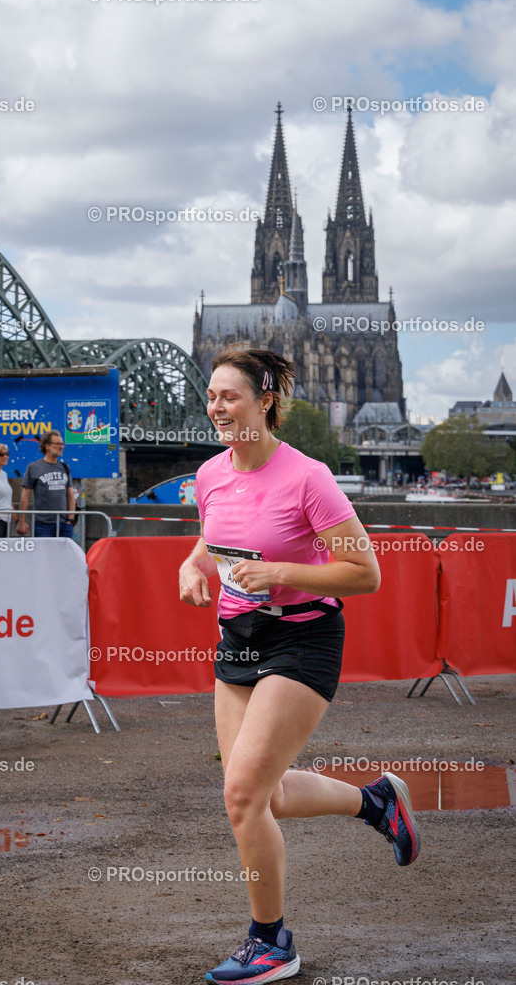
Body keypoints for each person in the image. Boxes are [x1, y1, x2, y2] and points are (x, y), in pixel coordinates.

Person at [178, 345, 420, 984]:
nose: (218, 407)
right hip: (239, 638)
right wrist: (190, 566)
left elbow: (364, 572)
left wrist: (283, 571)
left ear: (266, 401)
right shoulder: (210, 474)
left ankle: (271, 942)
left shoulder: (308, 476)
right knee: (264, 798)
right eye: (212, 397)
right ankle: (376, 804)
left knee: (241, 793)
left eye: (230, 396)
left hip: (303, 638)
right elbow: (211, 535)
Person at [17, 429, 76, 538]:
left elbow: (70, 495)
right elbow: (25, 496)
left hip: (63, 523)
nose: (61, 447)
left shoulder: (65, 467)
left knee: (64, 555)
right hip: (42, 524)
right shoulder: (34, 467)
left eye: (62, 444)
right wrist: (21, 520)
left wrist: (71, 518)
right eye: (58, 444)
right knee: (43, 554)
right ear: (47, 446)